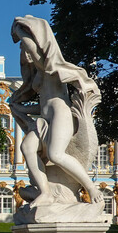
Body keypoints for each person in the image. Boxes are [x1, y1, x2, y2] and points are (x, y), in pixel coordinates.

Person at [9, 15, 102, 207]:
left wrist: (19, 32)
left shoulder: (51, 69)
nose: (24, 52)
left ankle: (90, 188)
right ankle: (45, 192)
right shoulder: (37, 75)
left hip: (61, 115)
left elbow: (36, 53)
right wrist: (22, 108)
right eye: (22, 50)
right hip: (46, 118)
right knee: (26, 148)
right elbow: (43, 104)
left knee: (55, 154)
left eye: (26, 48)